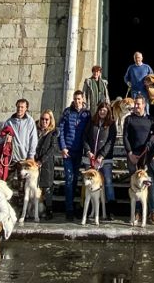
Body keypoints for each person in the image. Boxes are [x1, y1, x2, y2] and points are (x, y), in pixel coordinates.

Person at [123, 95, 154, 224]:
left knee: (150, 183)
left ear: (144, 105)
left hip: (147, 156)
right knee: (135, 185)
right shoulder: (129, 119)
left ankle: (152, 211)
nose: (136, 106)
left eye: (138, 104)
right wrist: (130, 153)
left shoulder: (150, 119)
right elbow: (125, 137)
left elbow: (153, 137)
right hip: (133, 156)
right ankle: (137, 212)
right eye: (135, 104)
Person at [58, 89, 90, 221]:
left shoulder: (87, 114)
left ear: (83, 99)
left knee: (75, 179)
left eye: (79, 99)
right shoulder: (67, 112)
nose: (77, 101)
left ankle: (75, 206)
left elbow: (89, 131)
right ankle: (69, 209)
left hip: (79, 151)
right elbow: (60, 130)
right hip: (68, 151)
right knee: (69, 179)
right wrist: (63, 147)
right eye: (75, 99)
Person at [83, 100, 117, 218]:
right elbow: (85, 137)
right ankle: (89, 208)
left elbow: (110, 142)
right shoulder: (91, 122)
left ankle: (110, 209)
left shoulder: (111, 124)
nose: (102, 112)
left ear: (108, 112)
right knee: (89, 183)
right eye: (101, 110)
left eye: (105, 110)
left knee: (107, 182)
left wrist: (101, 155)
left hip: (105, 159)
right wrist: (88, 151)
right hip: (90, 158)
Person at [35, 110, 60, 219]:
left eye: (47, 119)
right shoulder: (37, 131)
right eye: (42, 119)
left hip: (47, 163)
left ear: (50, 120)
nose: (44, 121)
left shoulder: (53, 133)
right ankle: (35, 208)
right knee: (36, 186)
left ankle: (49, 209)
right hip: (35, 162)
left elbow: (53, 148)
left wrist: (42, 160)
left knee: (47, 187)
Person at [8, 99, 38, 165]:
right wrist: (6, 138)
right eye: (18, 106)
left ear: (26, 108)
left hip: (25, 158)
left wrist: (31, 155)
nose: (19, 109)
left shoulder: (30, 121)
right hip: (11, 158)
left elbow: (33, 139)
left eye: (22, 107)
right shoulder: (9, 122)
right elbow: (1, 138)